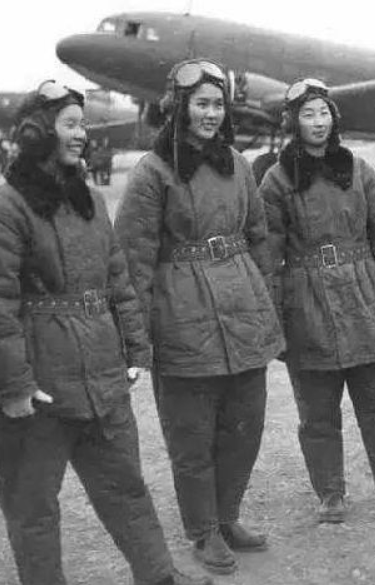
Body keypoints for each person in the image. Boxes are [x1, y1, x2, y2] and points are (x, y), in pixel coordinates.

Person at [0, 81, 212, 585]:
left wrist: (136, 348)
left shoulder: (91, 200)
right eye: (70, 124)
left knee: (126, 487)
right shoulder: (8, 206)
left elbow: (118, 280)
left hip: (102, 375)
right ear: (36, 133)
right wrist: (15, 385)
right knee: (33, 503)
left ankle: (158, 576)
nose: (82, 135)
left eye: (84, 125)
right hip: (42, 385)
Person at [115, 60, 284, 576]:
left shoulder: (238, 164)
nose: (211, 114)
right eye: (201, 104)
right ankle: (203, 530)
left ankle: (227, 516)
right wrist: (136, 341)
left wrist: (264, 304)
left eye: (218, 105)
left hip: (242, 309)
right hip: (181, 316)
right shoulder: (151, 172)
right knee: (191, 436)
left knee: (244, 427)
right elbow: (133, 261)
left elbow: (259, 236)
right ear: (180, 107)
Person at [259, 78, 375, 527]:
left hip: (365, 300)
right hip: (307, 307)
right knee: (317, 414)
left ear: (334, 118)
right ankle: (330, 494)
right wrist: (274, 324)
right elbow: (267, 259)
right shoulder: (277, 180)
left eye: (324, 113)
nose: (318, 122)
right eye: (308, 115)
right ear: (293, 122)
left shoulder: (359, 170)